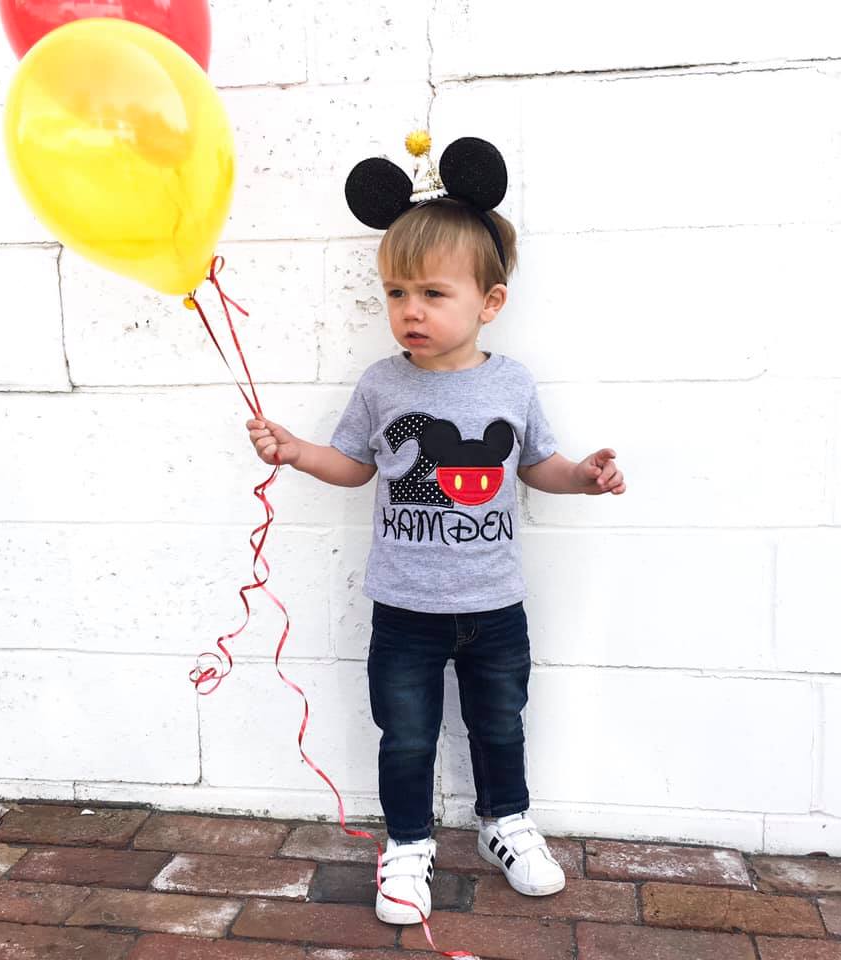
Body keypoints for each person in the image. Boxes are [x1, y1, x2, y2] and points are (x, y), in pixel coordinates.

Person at [247, 132, 625, 925]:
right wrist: (295, 452)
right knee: (407, 736)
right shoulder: (382, 385)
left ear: (489, 302)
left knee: (500, 724)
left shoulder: (512, 383)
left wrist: (582, 478)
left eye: (431, 294)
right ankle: (409, 845)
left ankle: (505, 824)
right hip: (406, 610)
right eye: (395, 294)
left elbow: (536, 466)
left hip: (495, 608)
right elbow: (354, 467)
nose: (410, 311)